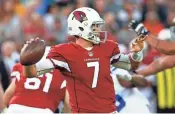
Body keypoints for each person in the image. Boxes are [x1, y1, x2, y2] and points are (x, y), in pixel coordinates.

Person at [25, 7, 145, 113]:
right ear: (82, 28)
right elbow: (32, 73)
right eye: (95, 26)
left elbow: (131, 65)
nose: (99, 30)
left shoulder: (107, 47)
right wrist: (28, 62)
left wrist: (137, 53)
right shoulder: (64, 52)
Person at [3, 61, 70, 113]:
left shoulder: (23, 65)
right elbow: (69, 104)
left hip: (15, 108)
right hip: (43, 110)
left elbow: (8, 95)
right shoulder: (65, 73)